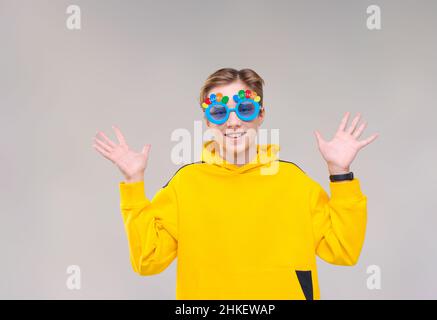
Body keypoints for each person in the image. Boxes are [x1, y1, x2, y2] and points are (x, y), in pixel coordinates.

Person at [92, 68, 379, 300]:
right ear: (207, 120)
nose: (232, 122)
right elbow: (147, 260)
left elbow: (343, 250)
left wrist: (340, 172)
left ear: (261, 115)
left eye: (244, 109)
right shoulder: (186, 185)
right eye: (218, 112)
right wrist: (133, 182)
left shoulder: (294, 182)